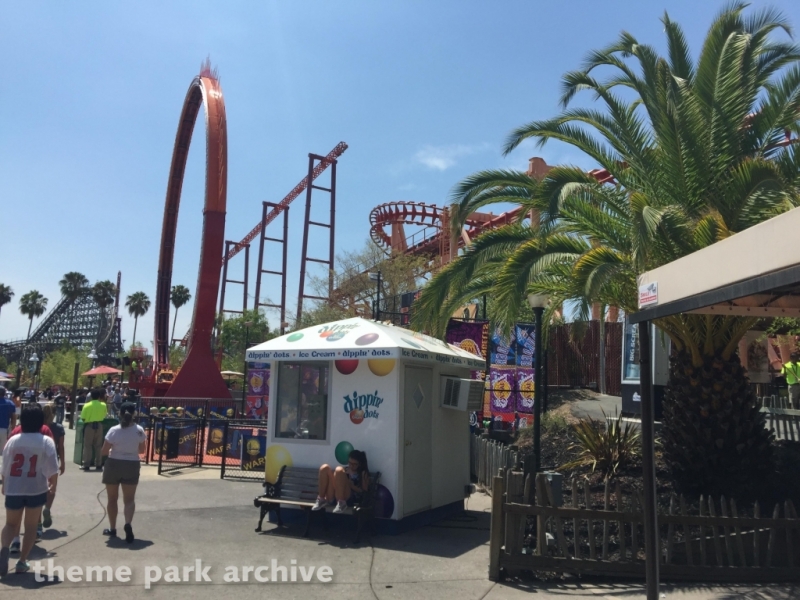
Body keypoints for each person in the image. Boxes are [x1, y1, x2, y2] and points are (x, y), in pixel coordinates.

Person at [0, 404, 59, 575]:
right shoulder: (46, 441)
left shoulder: (13, 440)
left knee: (10, 524)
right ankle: (22, 561)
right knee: (31, 526)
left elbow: (5, 465)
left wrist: (4, 484)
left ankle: (5, 547)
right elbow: (52, 468)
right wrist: (52, 485)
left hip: (14, 487)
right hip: (36, 487)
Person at [101, 402, 146, 543]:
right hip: (132, 464)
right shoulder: (139, 430)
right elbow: (141, 450)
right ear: (134, 414)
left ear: (120, 413)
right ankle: (127, 523)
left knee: (112, 499)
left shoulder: (114, 430)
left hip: (114, 463)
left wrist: (111, 450)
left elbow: (103, 451)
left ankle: (112, 528)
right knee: (129, 499)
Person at [312, 450, 369, 514]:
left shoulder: (362, 473)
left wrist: (351, 485)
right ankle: (321, 499)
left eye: (354, 464)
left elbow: (364, 492)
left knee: (339, 470)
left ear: (360, 464)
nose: (351, 466)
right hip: (335, 496)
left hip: (349, 499)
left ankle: (342, 503)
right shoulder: (346, 470)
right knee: (325, 468)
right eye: (350, 463)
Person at [41, 405, 65, 529]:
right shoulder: (58, 428)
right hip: (53, 459)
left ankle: (37, 515)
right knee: (52, 487)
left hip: (39, 459)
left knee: (39, 487)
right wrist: (63, 463)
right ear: (54, 413)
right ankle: (47, 508)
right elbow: (61, 447)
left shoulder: (38, 426)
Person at [81, 388, 108, 472]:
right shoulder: (103, 405)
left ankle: (86, 464)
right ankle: (99, 464)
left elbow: (83, 418)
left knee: (88, 446)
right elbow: (104, 415)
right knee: (98, 445)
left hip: (89, 425)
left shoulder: (87, 405)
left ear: (91, 396)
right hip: (99, 425)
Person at [0, 387, 18, 464]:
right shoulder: (10, 403)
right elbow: (13, 418)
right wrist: (13, 429)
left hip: (4, 429)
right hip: (4, 429)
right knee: (3, 450)